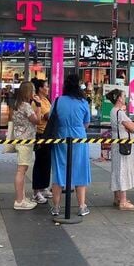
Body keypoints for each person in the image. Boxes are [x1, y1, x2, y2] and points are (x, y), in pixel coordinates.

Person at [49, 74, 92, 217]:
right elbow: (86, 123)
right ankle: (81, 206)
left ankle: (56, 207)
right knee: (80, 169)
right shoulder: (83, 102)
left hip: (61, 137)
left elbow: (51, 119)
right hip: (79, 137)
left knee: (59, 170)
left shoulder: (58, 101)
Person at [107, 89, 134, 210]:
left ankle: (117, 197)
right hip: (124, 145)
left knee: (117, 169)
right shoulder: (120, 112)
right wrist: (132, 125)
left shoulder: (113, 111)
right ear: (119, 98)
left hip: (117, 143)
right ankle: (123, 201)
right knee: (123, 169)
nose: (125, 97)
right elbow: (132, 127)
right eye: (124, 95)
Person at [11, 82, 40, 210]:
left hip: (20, 139)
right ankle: (19, 201)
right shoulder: (26, 106)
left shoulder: (18, 105)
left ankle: (22, 197)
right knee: (21, 170)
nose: (34, 93)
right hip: (25, 140)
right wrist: (38, 106)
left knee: (22, 170)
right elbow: (37, 120)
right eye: (33, 90)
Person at [31, 78, 53, 204]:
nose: (48, 88)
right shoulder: (37, 101)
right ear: (40, 88)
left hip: (48, 134)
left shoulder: (46, 100)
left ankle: (43, 187)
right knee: (40, 162)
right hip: (41, 134)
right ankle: (36, 191)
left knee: (47, 162)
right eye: (46, 86)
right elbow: (47, 116)